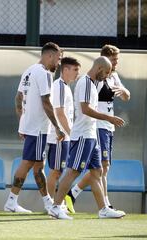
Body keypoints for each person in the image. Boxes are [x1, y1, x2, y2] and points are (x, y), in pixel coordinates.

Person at [48, 56, 126, 220]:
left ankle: (103, 209)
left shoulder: (92, 83)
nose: (106, 76)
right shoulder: (84, 82)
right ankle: (55, 207)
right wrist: (109, 118)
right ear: (98, 69)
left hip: (91, 135)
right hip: (83, 135)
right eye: (105, 73)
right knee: (72, 172)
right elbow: (85, 109)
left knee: (97, 172)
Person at [65, 45, 131, 213]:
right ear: (104, 61)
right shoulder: (96, 80)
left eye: (117, 59)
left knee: (102, 168)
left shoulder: (113, 76)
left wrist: (123, 90)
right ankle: (103, 204)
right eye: (114, 59)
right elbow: (87, 105)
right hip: (98, 125)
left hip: (109, 127)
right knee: (101, 167)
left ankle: (73, 194)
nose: (116, 63)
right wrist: (106, 118)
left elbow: (126, 96)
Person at [4, 42, 64, 213]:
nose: (58, 63)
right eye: (58, 59)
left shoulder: (29, 70)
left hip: (31, 127)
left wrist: (21, 124)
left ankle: (48, 203)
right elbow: (46, 102)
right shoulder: (44, 73)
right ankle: (11, 201)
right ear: (49, 56)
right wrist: (57, 127)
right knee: (29, 163)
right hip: (38, 128)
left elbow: (18, 98)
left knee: (38, 165)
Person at [46, 57, 80, 200]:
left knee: (58, 170)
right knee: (56, 171)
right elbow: (59, 113)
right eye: (75, 70)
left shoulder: (65, 87)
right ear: (65, 70)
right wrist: (72, 134)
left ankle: (53, 203)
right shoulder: (59, 86)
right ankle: (52, 203)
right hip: (59, 137)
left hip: (64, 136)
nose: (78, 73)